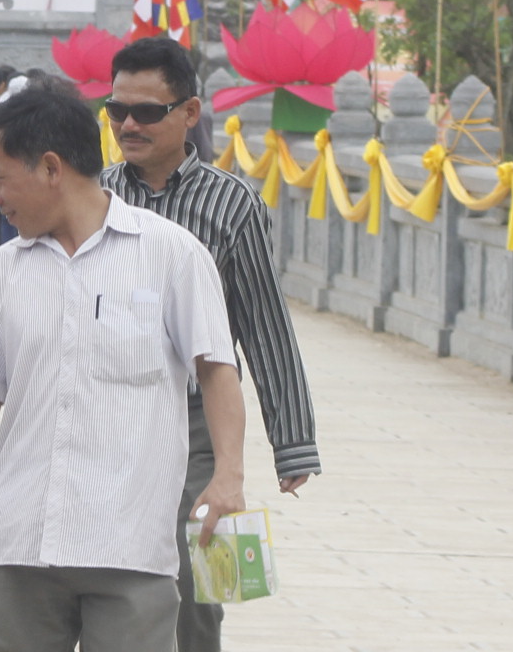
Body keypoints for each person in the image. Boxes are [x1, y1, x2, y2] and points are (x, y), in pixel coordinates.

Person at [0, 78, 244, 652]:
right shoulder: (3, 271)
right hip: (22, 548)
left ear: (52, 168)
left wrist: (230, 475)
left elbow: (216, 370)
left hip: (130, 547)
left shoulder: (173, 255)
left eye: (0, 177)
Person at [100, 35, 319, 652]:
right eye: (117, 111)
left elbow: (263, 324)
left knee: (198, 577)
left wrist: (291, 444)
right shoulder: (92, 196)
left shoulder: (235, 204)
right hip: (107, 413)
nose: (128, 125)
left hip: (196, 420)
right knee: (111, 575)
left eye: (148, 111)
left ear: (189, 113)